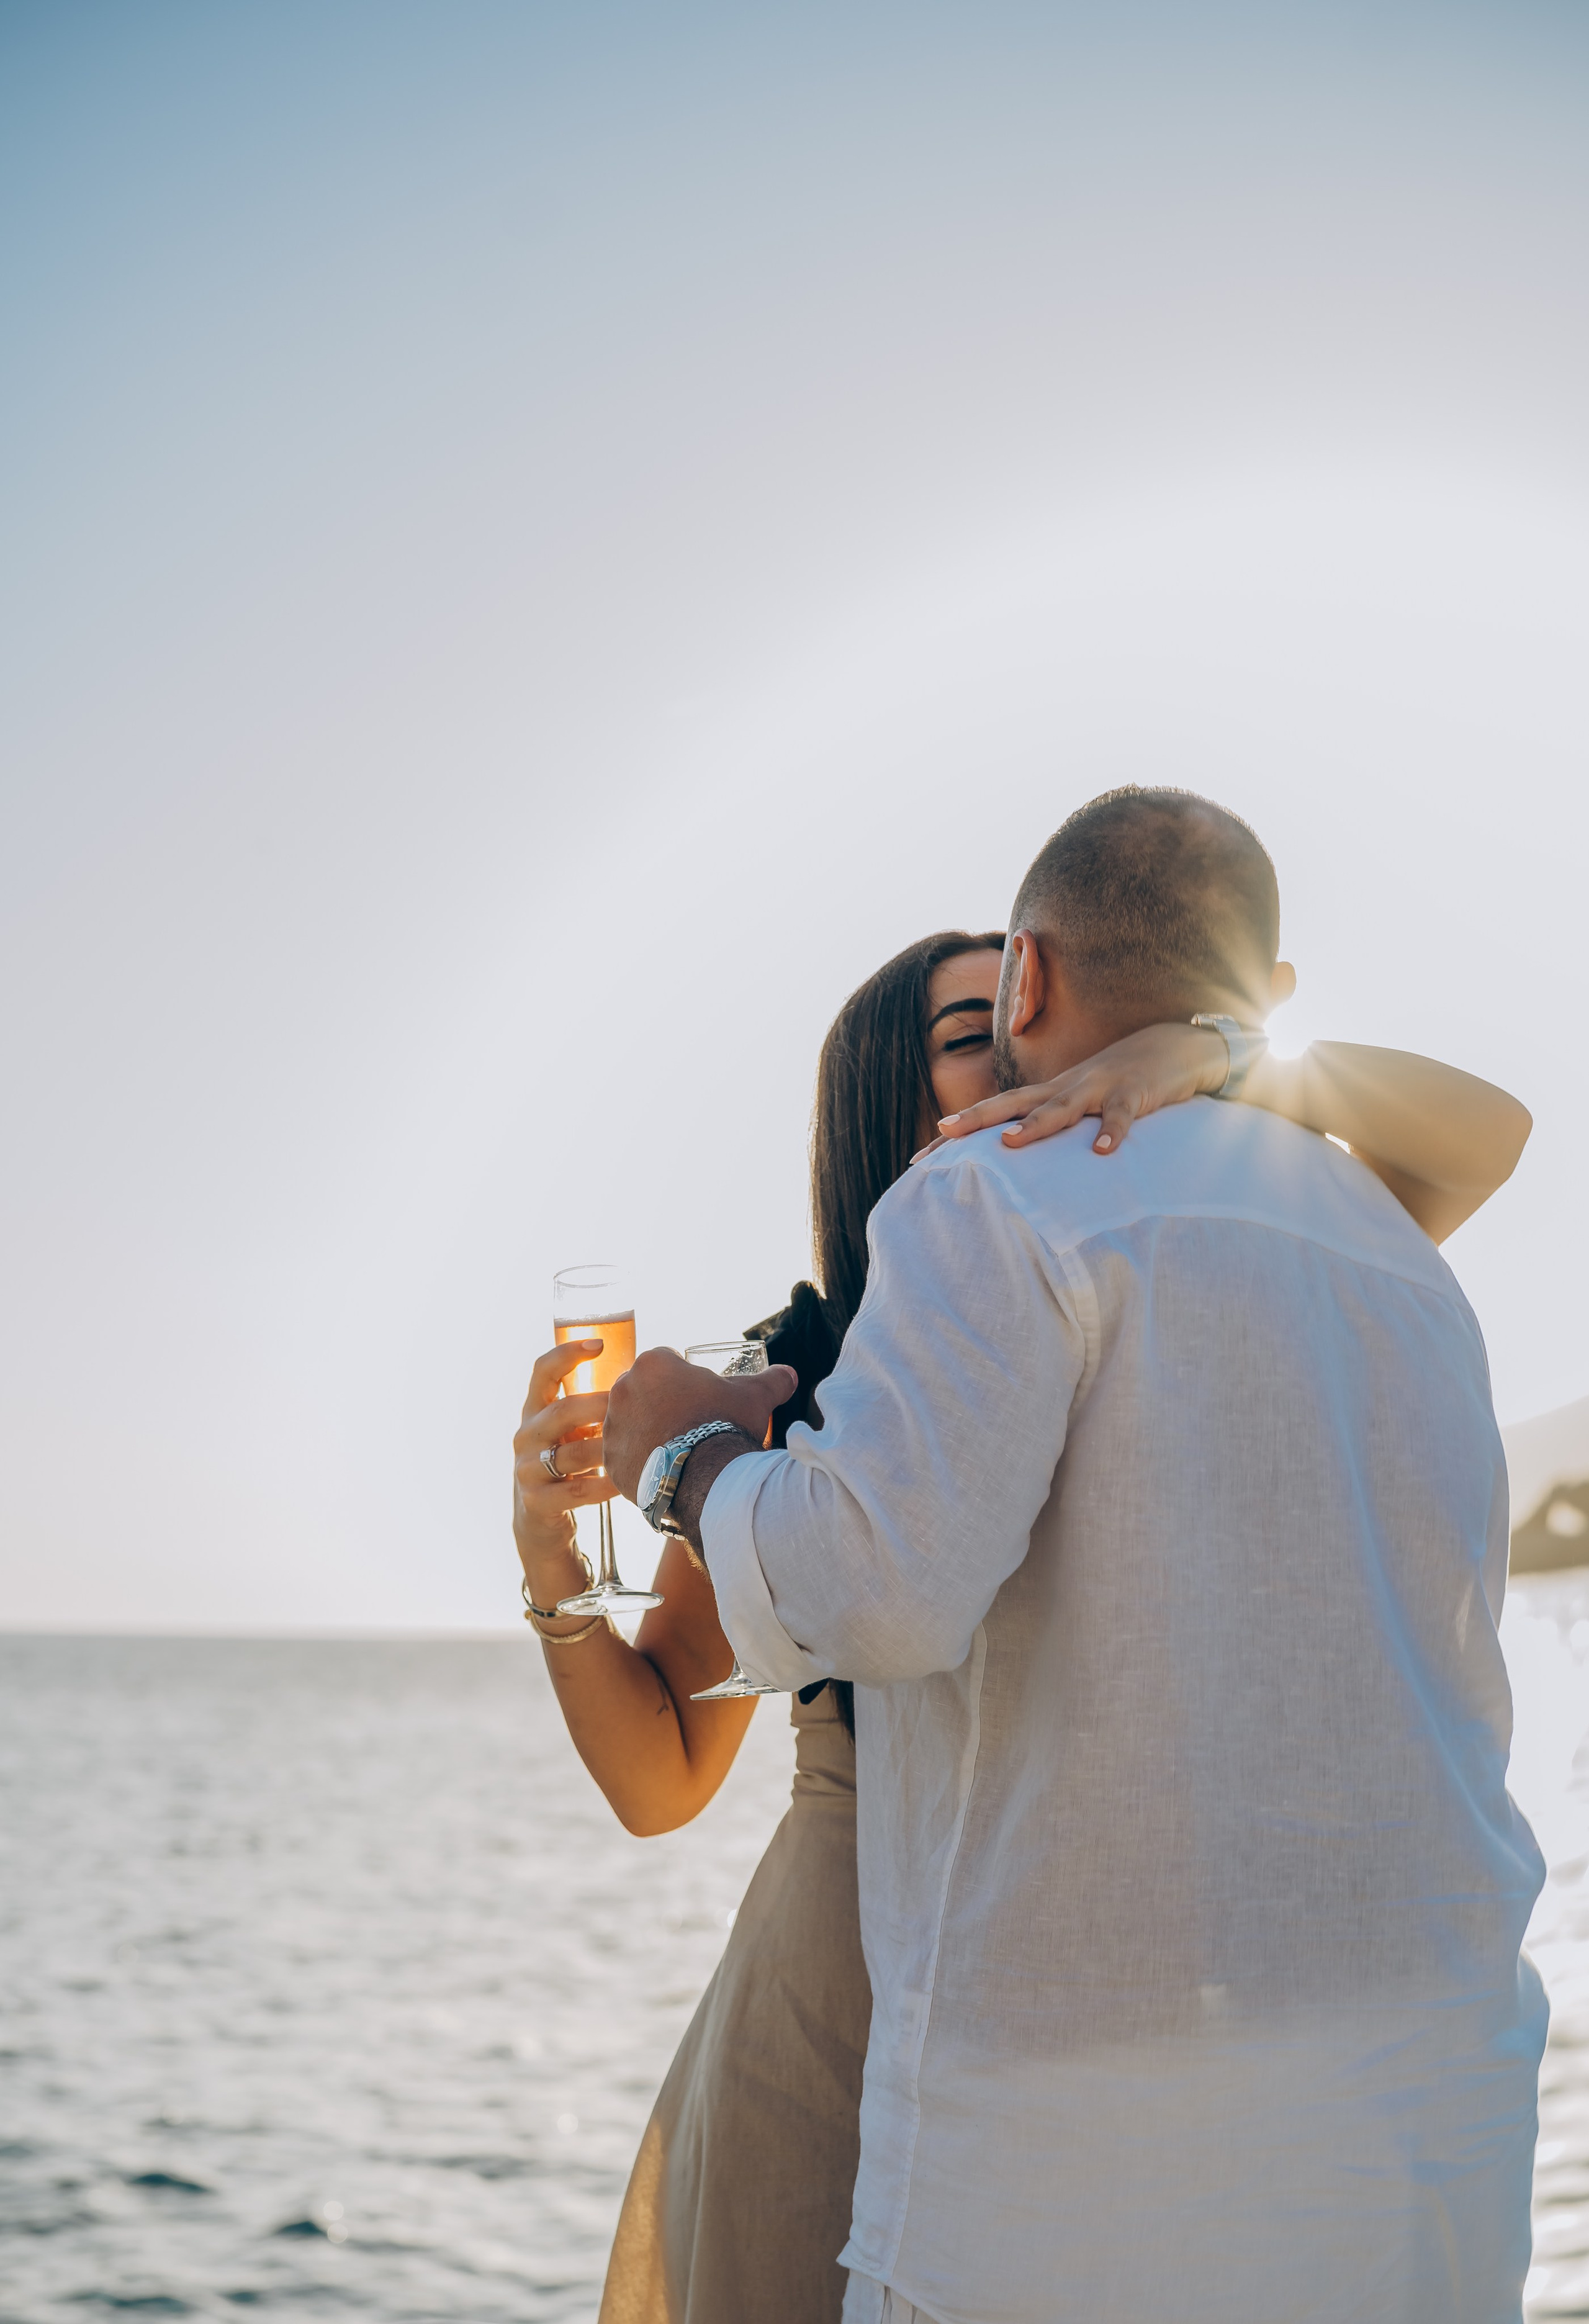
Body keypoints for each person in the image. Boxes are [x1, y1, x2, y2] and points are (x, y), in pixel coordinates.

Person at [600, 788, 1547, 2324]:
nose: (1000, 1061)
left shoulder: (1010, 1206)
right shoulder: (1373, 1242)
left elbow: (870, 1591)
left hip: (1041, 2076)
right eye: (949, 1037)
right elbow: (670, 1753)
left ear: (1037, 984)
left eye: (996, 1014)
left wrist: (680, 1454)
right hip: (1373, 2107)